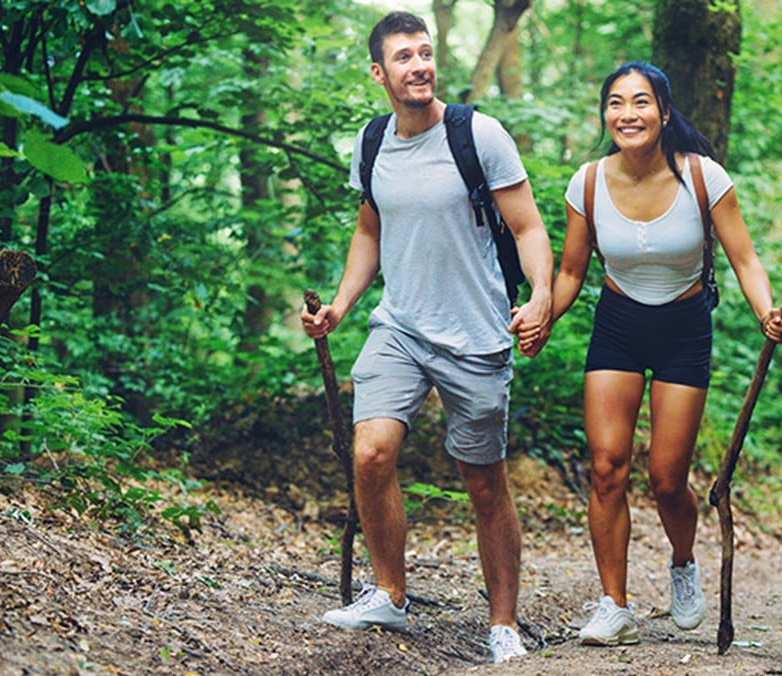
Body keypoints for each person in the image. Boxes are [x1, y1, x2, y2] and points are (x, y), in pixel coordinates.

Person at [300, 10, 554, 665]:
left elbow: (527, 228)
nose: (418, 65)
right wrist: (340, 305)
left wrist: (541, 299)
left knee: (483, 484)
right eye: (402, 57)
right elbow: (368, 232)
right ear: (378, 73)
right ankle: (388, 592)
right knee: (370, 454)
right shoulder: (372, 141)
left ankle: (502, 624)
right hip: (400, 328)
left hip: (475, 336)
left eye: (424, 53)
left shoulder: (478, 135)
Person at [541, 62, 782, 646]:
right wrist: (542, 319)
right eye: (615, 103)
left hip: (684, 328)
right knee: (607, 466)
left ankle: (683, 562)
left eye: (639, 102)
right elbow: (571, 270)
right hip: (618, 324)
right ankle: (614, 605)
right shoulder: (586, 183)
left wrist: (766, 314)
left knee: (665, 477)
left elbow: (745, 260)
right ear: (605, 113)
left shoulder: (703, 177)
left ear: (663, 111)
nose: (626, 114)